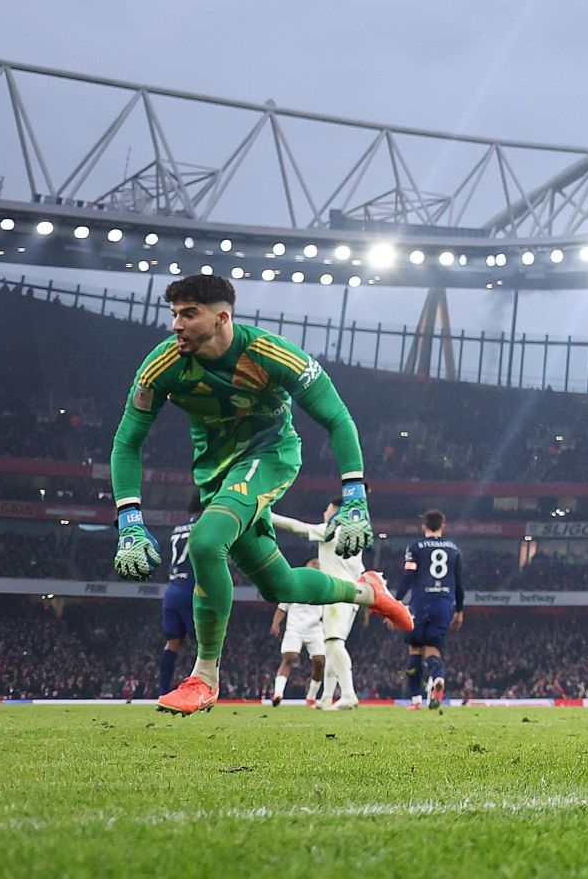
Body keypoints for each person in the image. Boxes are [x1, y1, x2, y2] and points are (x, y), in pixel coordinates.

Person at [108, 274, 412, 715]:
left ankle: (204, 678)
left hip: (269, 457)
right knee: (279, 585)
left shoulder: (270, 353)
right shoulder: (162, 365)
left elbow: (338, 419)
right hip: (216, 475)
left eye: (189, 314)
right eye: (174, 314)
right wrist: (129, 520)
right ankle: (367, 591)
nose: (177, 324)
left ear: (222, 317)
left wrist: (355, 497)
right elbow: (126, 442)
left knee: (206, 541)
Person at [273, 499, 369, 709]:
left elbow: (296, 526)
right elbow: (360, 571)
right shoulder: (355, 536)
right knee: (331, 647)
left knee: (334, 643)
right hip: (353, 595)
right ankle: (326, 697)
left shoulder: (330, 530)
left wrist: (268, 516)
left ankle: (348, 694)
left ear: (335, 511)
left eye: (327, 508)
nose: (325, 512)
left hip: (337, 594)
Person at [398, 510, 464, 710]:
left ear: (423, 526)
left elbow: (408, 576)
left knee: (415, 649)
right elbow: (459, 583)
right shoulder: (454, 550)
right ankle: (437, 677)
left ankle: (416, 700)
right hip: (444, 604)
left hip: (420, 603)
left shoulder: (416, 547)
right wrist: (459, 610)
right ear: (443, 526)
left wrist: (396, 602)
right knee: (433, 650)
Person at [156, 495, 200, 698]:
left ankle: (163, 690)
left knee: (173, 642)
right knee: (206, 644)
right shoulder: (204, 525)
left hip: (172, 589)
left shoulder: (177, 528)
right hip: (192, 589)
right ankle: (203, 688)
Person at [269, 559, 326, 706]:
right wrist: (276, 623)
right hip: (295, 628)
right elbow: (282, 608)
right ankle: (278, 694)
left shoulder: (324, 588)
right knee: (290, 658)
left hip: (315, 629)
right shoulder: (293, 587)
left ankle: (311, 696)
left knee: (319, 661)